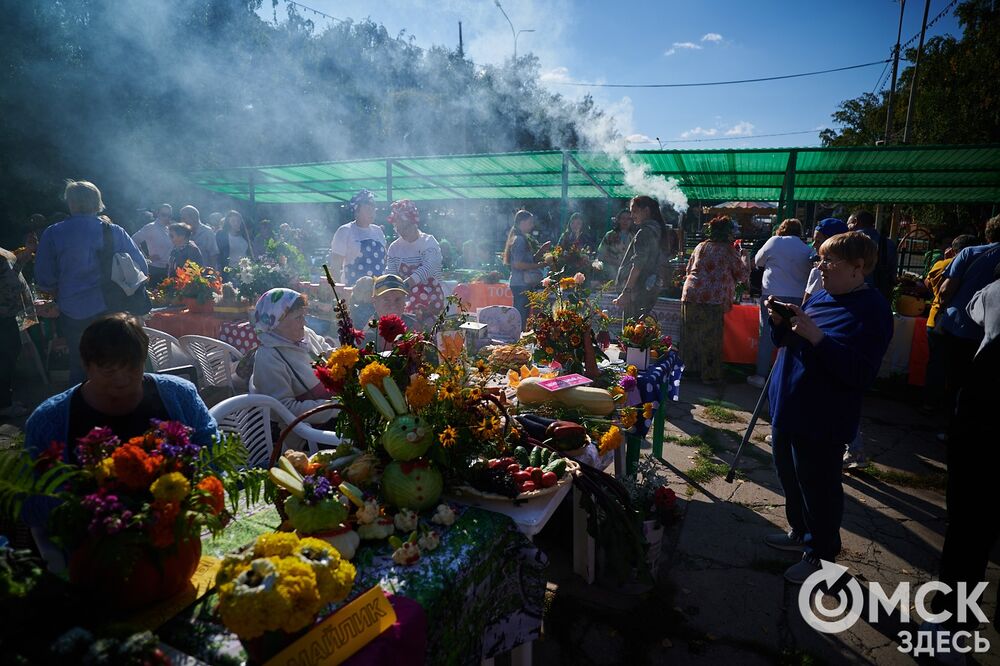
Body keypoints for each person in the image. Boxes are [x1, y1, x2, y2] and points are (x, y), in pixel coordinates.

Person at [763, 232, 893, 584]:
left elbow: (860, 372)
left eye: (829, 262)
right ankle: (800, 534)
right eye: (819, 259)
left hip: (822, 417)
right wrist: (780, 324)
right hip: (789, 407)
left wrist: (817, 337)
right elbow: (791, 341)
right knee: (788, 475)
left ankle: (821, 555)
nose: (820, 267)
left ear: (858, 268)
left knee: (818, 487)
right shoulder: (822, 295)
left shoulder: (874, 310)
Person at [927, 264, 1000, 638]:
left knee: (969, 528)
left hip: (985, 420)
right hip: (983, 419)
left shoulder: (992, 290)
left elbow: (973, 312)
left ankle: (950, 624)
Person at [34, 181, 149, 383]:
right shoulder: (114, 231)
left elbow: (45, 278)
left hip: (71, 309)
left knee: (81, 363)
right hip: (111, 307)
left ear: (70, 203)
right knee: (115, 361)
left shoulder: (53, 233)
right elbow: (141, 267)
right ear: (97, 203)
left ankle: (82, 409)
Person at [935, 215, 1000, 428]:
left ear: (987, 232)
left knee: (953, 379)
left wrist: (941, 308)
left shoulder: (970, 253)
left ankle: (949, 424)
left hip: (960, 327)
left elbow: (945, 290)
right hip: (991, 335)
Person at [677, 215, 749, 383]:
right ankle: (709, 376)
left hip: (691, 294)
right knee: (710, 337)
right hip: (713, 299)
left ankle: (688, 372)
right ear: (728, 233)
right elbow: (742, 275)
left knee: (690, 336)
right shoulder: (729, 250)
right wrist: (745, 258)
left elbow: (689, 269)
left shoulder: (700, 246)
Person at [250, 288, 337, 425]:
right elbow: (284, 409)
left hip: (337, 406)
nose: (304, 322)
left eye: (303, 316)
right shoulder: (269, 357)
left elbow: (328, 352)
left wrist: (349, 357)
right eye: (298, 317)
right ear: (276, 323)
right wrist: (336, 407)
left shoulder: (305, 334)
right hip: (310, 433)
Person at [747, 219, 814, 388]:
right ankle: (789, 376)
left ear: (782, 229)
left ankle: (761, 375)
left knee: (767, 335)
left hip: (773, 294)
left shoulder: (775, 241)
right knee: (794, 336)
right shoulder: (806, 248)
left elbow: (757, 262)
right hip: (798, 296)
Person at [922, 234, 978, 412]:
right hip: (965, 323)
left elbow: (929, 285)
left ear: (953, 250)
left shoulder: (942, 265)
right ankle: (950, 404)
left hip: (937, 319)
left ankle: (929, 403)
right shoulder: (978, 267)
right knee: (957, 366)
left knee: (936, 363)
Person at [385, 200, 445, 329]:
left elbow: (429, 267)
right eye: (398, 228)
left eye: (405, 227)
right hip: (404, 300)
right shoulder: (394, 247)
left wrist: (408, 283)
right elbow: (391, 272)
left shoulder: (428, 242)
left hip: (431, 300)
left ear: (414, 223)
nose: (402, 232)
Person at [614, 196, 670, 321]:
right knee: (640, 333)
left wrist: (626, 292)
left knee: (631, 333)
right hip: (649, 288)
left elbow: (638, 265)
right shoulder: (658, 230)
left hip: (637, 290)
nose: (631, 215)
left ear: (646, 210)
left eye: (634, 211)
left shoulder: (644, 232)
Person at [0, 245, 33, 418]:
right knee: (5, 359)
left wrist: (25, 258)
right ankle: (4, 405)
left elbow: (11, 273)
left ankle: (6, 400)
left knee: (10, 356)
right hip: (3, 314)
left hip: (8, 314)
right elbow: (9, 279)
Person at [503, 210, 550, 327]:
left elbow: (526, 261)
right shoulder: (519, 240)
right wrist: (539, 265)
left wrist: (540, 252)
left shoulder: (521, 238)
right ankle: (516, 342)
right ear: (522, 222)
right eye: (530, 222)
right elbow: (518, 264)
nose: (532, 225)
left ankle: (518, 341)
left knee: (522, 318)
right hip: (521, 284)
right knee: (520, 318)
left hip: (521, 283)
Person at [329, 189, 386, 285]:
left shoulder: (378, 231)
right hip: (353, 290)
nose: (372, 213)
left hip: (378, 290)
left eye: (373, 209)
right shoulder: (345, 231)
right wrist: (339, 292)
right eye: (368, 209)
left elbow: (384, 261)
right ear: (357, 211)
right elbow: (335, 267)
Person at [847, 210, 898, 298]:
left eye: (848, 224)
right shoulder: (888, 243)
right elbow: (892, 274)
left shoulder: (847, 241)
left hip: (852, 294)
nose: (847, 227)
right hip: (880, 295)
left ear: (855, 221)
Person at [363, 274, 419, 350]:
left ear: (404, 302)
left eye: (398, 299)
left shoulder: (416, 325)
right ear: (374, 301)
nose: (393, 305)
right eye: (386, 299)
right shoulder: (368, 335)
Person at [803, 218, 849, 301]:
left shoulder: (819, 271)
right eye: (814, 240)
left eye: (818, 241)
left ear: (831, 243)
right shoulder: (853, 272)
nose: (813, 245)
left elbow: (806, 304)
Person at [132, 203, 175, 284]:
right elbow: (133, 241)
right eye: (164, 214)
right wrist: (145, 258)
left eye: (169, 216)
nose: (166, 218)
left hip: (168, 270)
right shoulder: (150, 227)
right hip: (154, 269)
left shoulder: (169, 229)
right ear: (157, 214)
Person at [597, 209, 634, 284]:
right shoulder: (609, 235)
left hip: (629, 274)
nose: (625, 221)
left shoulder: (635, 236)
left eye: (628, 219)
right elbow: (601, 254)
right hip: (610, 273)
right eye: (623, 218)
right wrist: (615, 262)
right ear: (619, 220)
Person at [179, 205, 219, 270]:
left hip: (203, 275)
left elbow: (213, 254)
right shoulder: (184, 233)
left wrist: (212, 273)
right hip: (186, 275)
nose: (181, 221)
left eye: (184, 218)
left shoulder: (207, 232)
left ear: (193, 218)